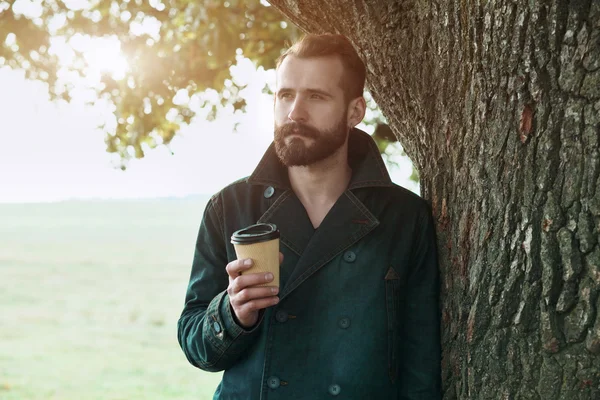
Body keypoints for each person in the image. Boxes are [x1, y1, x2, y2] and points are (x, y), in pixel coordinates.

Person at [178, 33, 441, 399]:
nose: (295, 112)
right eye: (286, 95)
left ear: (355, 112)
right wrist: (233, 312)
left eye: (316, 96)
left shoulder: (403, 216)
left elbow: (422, 363)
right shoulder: (231, 207)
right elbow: (195, 345)